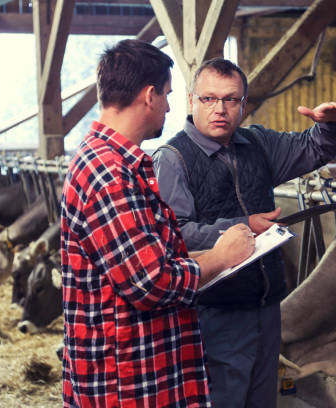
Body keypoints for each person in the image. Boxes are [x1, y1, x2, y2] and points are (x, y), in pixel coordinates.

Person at [152, 57, 336, 407]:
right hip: (215, 311)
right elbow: (175, 236)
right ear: (191, 100)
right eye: (209, 98)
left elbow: (311, 148)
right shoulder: (172, 158)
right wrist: (242, 227)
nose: (220, 109)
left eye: (231, 99)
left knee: (263, 400)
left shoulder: (257, 144)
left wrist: (332, 126)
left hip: (266, 305)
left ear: (243, 104)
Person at [61, 41, 256, 408]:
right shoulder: (109, 174)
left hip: (138, 371)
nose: (169, 105)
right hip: (127, 382)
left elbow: (149, 259)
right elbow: (150, 282)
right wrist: (221, 257)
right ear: (149, 96)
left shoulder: (117, 164)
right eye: (166, 94)